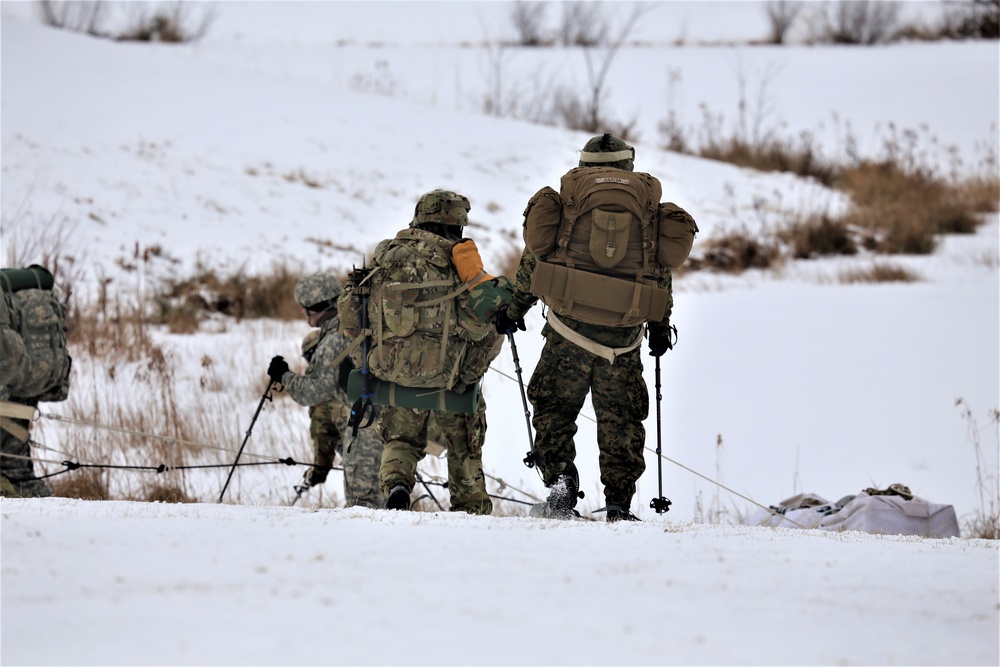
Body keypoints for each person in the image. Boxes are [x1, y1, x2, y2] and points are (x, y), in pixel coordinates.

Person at [494, 134, 697, 522]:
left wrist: (515, 308)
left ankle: (561, 486)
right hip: (623, 338)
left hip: (567, 331)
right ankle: (619, 504)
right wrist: (659, 324)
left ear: (584, 163)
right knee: (621, 420)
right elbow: (658, 272)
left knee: (554, 407)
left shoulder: (568, 199)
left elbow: (536, 261)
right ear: (627, 163)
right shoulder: (648, 204)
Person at [338, 189, 505, 515]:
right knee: (463, 448)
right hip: (448, 382)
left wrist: (368, 365)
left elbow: (350, 314)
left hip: (392, 377)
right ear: (457, 225)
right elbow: (490, 322)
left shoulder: (385, 257)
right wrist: (468, 373)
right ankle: (470, 509)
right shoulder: (461, 263)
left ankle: (397, 485)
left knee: (399, 440)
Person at [267, 273, 384, 509]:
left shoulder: (334, 338)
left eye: (305, 308)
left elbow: (313, 392)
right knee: (381, 505)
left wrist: (284, 375)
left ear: (318, 307)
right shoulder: (361, 323)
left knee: (364, 509)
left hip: (366, 429)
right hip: (386, 423)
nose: (302, 313)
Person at [1, 265, 72, 498]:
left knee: (13, 470)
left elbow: (8, 355)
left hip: (14, 381)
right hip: (25, 376)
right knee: (15, 468)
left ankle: (47, 520)